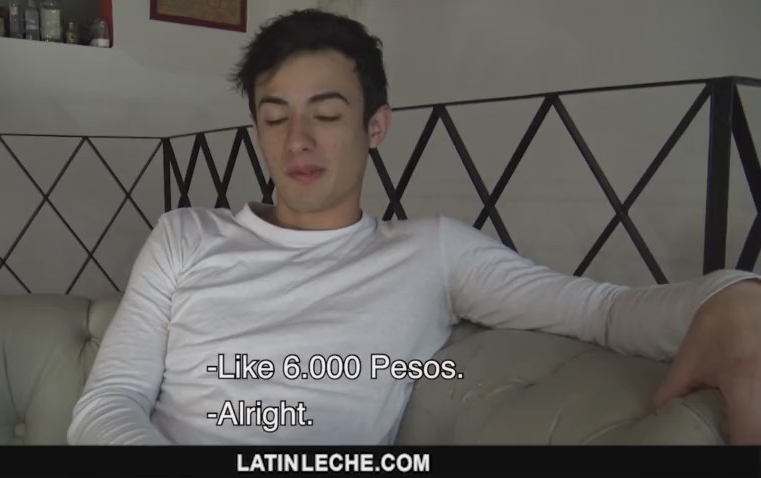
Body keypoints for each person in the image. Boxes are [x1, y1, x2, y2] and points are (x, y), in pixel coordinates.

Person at [67, 9, 761, 445]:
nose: (297, 140)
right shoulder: (185, 235)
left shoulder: (431, 253)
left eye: (326, 115)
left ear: (376, 127)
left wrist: (732, 296)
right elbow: (108, 403)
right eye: (275, 118)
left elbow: (601, 309)